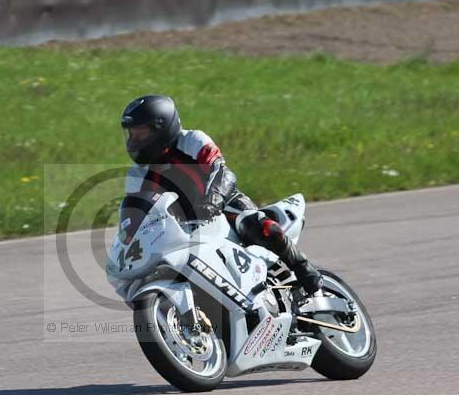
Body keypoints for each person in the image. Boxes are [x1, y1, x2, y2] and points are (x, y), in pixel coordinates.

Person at [121, 94, 322, 294]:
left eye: (140, 134)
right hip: (180, 227)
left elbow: (222, 172)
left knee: (254, 223)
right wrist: (128, 239)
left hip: (221, 204)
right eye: (131, 134)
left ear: (160, 127)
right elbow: (136, 212)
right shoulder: (137, 174)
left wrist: (212, 200)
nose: (133, 140)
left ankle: (304, 269)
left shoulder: (192, 140)